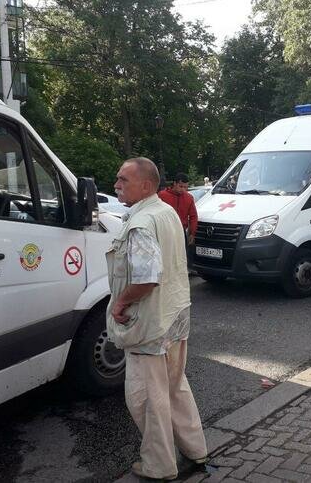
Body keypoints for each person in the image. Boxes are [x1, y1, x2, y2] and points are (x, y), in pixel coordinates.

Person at [107, 158, 207, 481]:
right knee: (176, 388)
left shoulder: (142, 222)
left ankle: (159, 466)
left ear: (146, 186)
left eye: (123, 179)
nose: (116, 185)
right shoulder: (165, 213)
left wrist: (120, 302)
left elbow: (147, 277)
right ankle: (196, 450)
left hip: (150, 325)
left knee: (147, 398)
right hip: (176, 317)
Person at [158, 172, 198, 247]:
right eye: (181, 186)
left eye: (185, 187)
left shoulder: (189, 197)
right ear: (174, 183)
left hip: (181, 232)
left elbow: (193, 216)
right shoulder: (162, 195)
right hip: (164, 231)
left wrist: (192, 233)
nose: (183, 189)